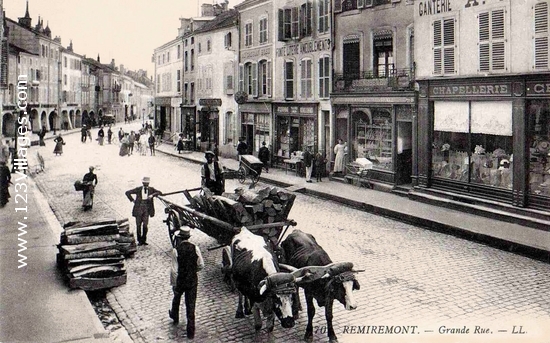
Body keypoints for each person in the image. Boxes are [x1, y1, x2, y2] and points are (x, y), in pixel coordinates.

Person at [169, 227, 204, 339]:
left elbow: (174, 271)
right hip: (192, 280)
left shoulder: (176, 250)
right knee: (191, 305)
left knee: (177, 297)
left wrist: (174, 284)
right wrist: (193, 271)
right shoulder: (195, 248)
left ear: (180, 238)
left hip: (181, 280)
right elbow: (201, 265)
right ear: (188, 237)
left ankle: (175, 315)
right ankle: (191, 332)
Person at [125, 177, 162, 245]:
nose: (146, 185)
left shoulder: (151, 189)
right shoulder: (138, 189)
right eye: (144, 183)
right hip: (138, 209)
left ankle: (144, 240)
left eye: (147, 183)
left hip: (147, 209)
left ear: (149, 183)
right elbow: (127, 192)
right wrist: (133, 200)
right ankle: (139, 241)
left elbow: (160, 192)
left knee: (145, 225)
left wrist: (152, 195)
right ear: (142, 183)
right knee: (138, 225)